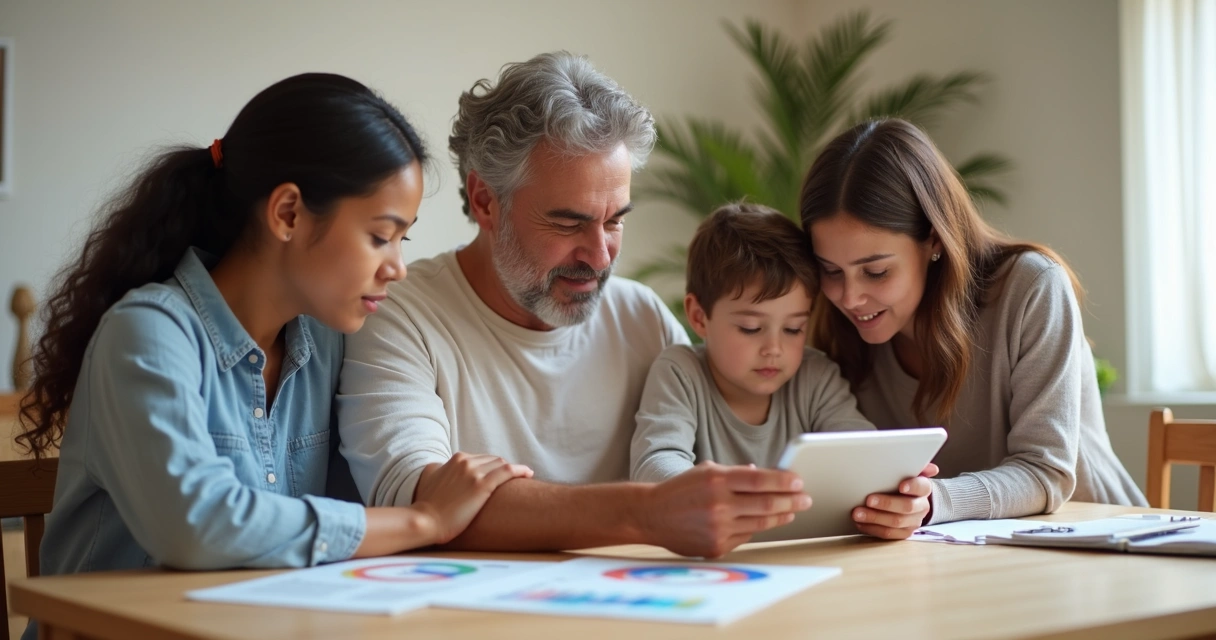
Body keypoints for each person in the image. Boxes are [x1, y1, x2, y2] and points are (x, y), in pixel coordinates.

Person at [339, 53, 931, 558]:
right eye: (568, 222)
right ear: (485, 201)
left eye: (615, 220)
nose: (599, 256)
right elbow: (417, 497)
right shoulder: (401, 316)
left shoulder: (640, 317)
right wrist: (644, 512)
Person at [14, 73, 533, 607]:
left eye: (404, 237)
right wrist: (425, 519)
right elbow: (197, 525)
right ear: (288, 214)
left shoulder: (327, 343)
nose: (397, 267)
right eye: (380, 236)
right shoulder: (148, 334)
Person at [799, 118, 1147, 525]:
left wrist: (934, 502)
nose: (849, 297)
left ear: (933, 238)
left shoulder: (1032, 287)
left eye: (876, 272)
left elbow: (1046, 472)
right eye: (831, 270)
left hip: (1094, 536)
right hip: (944, 551)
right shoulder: (831, 319)